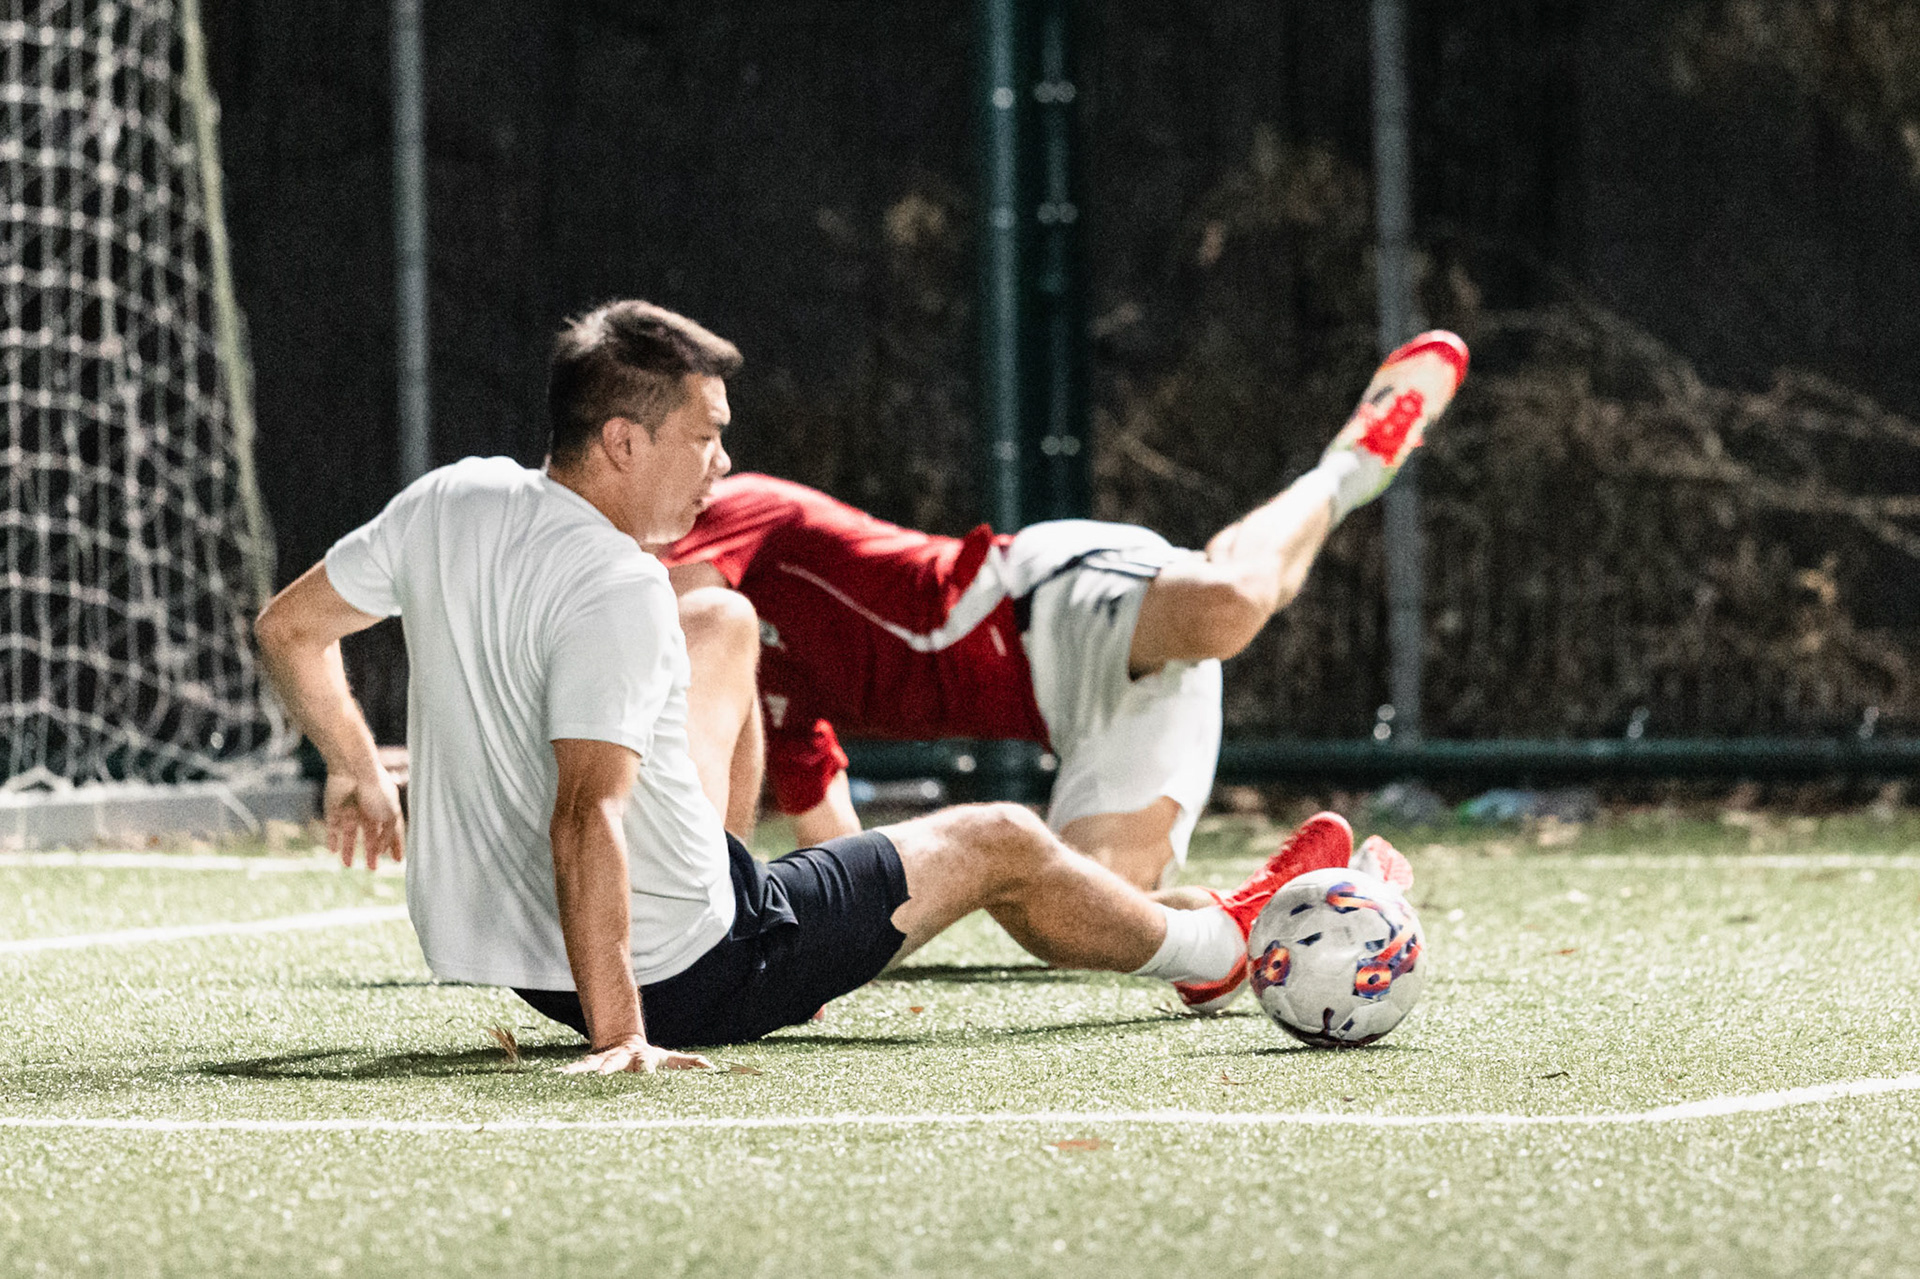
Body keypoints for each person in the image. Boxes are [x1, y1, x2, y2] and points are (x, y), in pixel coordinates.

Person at [253, 299, 1398, 1072]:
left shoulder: (450, 498)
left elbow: (291, 627)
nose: (723, 465)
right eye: (705, 437)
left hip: (528, 967)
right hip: (688, 972)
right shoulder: (614, 585)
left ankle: (717, 871)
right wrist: (619, 1040)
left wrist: (356, 766)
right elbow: (583, 815)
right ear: (619, 442)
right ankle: (1225, 952)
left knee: (723, 619)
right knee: (999, 835)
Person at [658, 331, 1469, 892]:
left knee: (1228, 604)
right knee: (1095, 908)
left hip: (1032, 602)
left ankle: (1349, 466)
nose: (717, 460)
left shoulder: (727, 512)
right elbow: (834, 850)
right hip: (1074, 716)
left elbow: (677, 623)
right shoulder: (769, 701)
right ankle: (1322, 904)